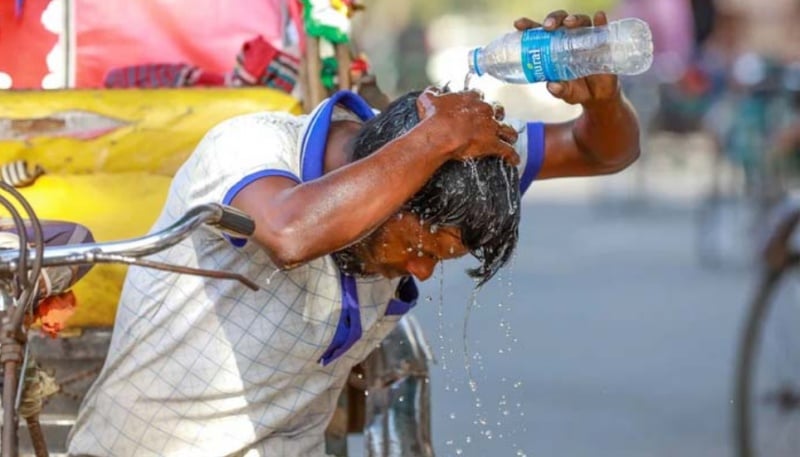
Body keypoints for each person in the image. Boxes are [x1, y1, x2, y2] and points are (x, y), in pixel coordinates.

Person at [67, 10, 640, 457]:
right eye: (421, 248)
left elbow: (601, 151)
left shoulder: (445, 165)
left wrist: (604, 100)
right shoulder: (249, 147)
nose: (420, 272)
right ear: (389, 187)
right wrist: (433, 139)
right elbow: (290, 235)